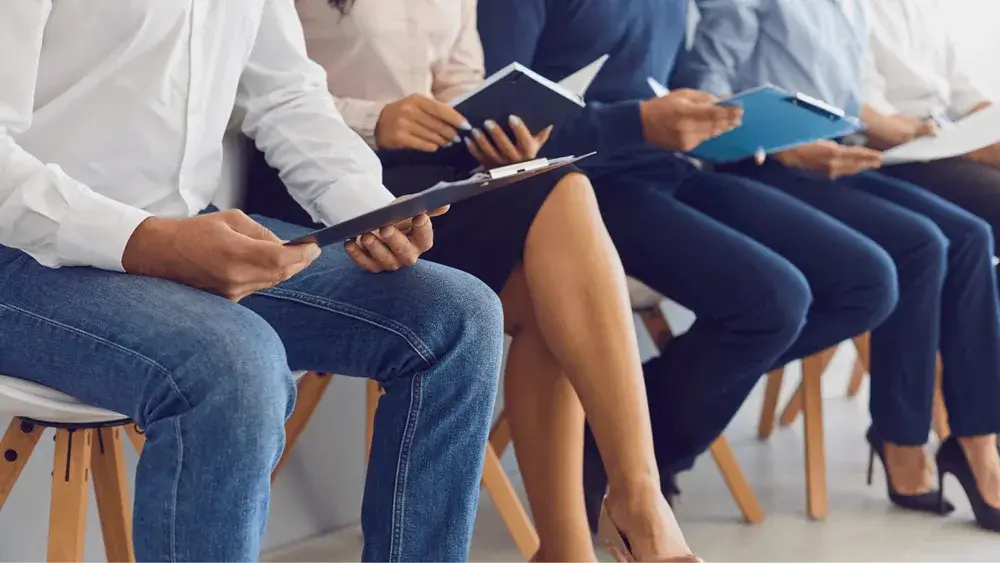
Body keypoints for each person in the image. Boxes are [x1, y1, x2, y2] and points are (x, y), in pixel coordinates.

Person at [0, 2, 510, 561]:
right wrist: (152, 242)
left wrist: (365, 206)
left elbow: (284, 93)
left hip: (184, 222)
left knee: (456, 318)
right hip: (22, 253)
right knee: (235, 364)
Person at [244, 0, 735, 560]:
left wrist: (500, 129)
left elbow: (463, 80)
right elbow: (251, 94)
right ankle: (621, 516)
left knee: (558, 266)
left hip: (430, 176)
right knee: (564, 218)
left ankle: (594, 525)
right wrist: (373, 118)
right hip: (313, 186)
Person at [476, 0, 900, 552]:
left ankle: (608, 441)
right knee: (774, 300)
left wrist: (721, 118)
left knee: (867, 279)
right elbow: (499, 120)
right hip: (579, 192)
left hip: (669, 168)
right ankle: (628, 476)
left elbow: (665, 86)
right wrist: (636, 122)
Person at [678, 0, 1000, 533]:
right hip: (760, 165)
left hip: (832, 158)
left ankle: (977, 441)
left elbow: (848, 101)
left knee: (969, 236)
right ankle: (902, 438)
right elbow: (705, 90)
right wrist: (784, 146)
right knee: (921, 245)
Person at [863, 0, 1000, 255]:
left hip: (942, 140)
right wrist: (973, 149)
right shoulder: (851, 10)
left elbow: (965, 96)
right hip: (899, 154)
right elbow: (878, 125)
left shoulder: (926, 7)